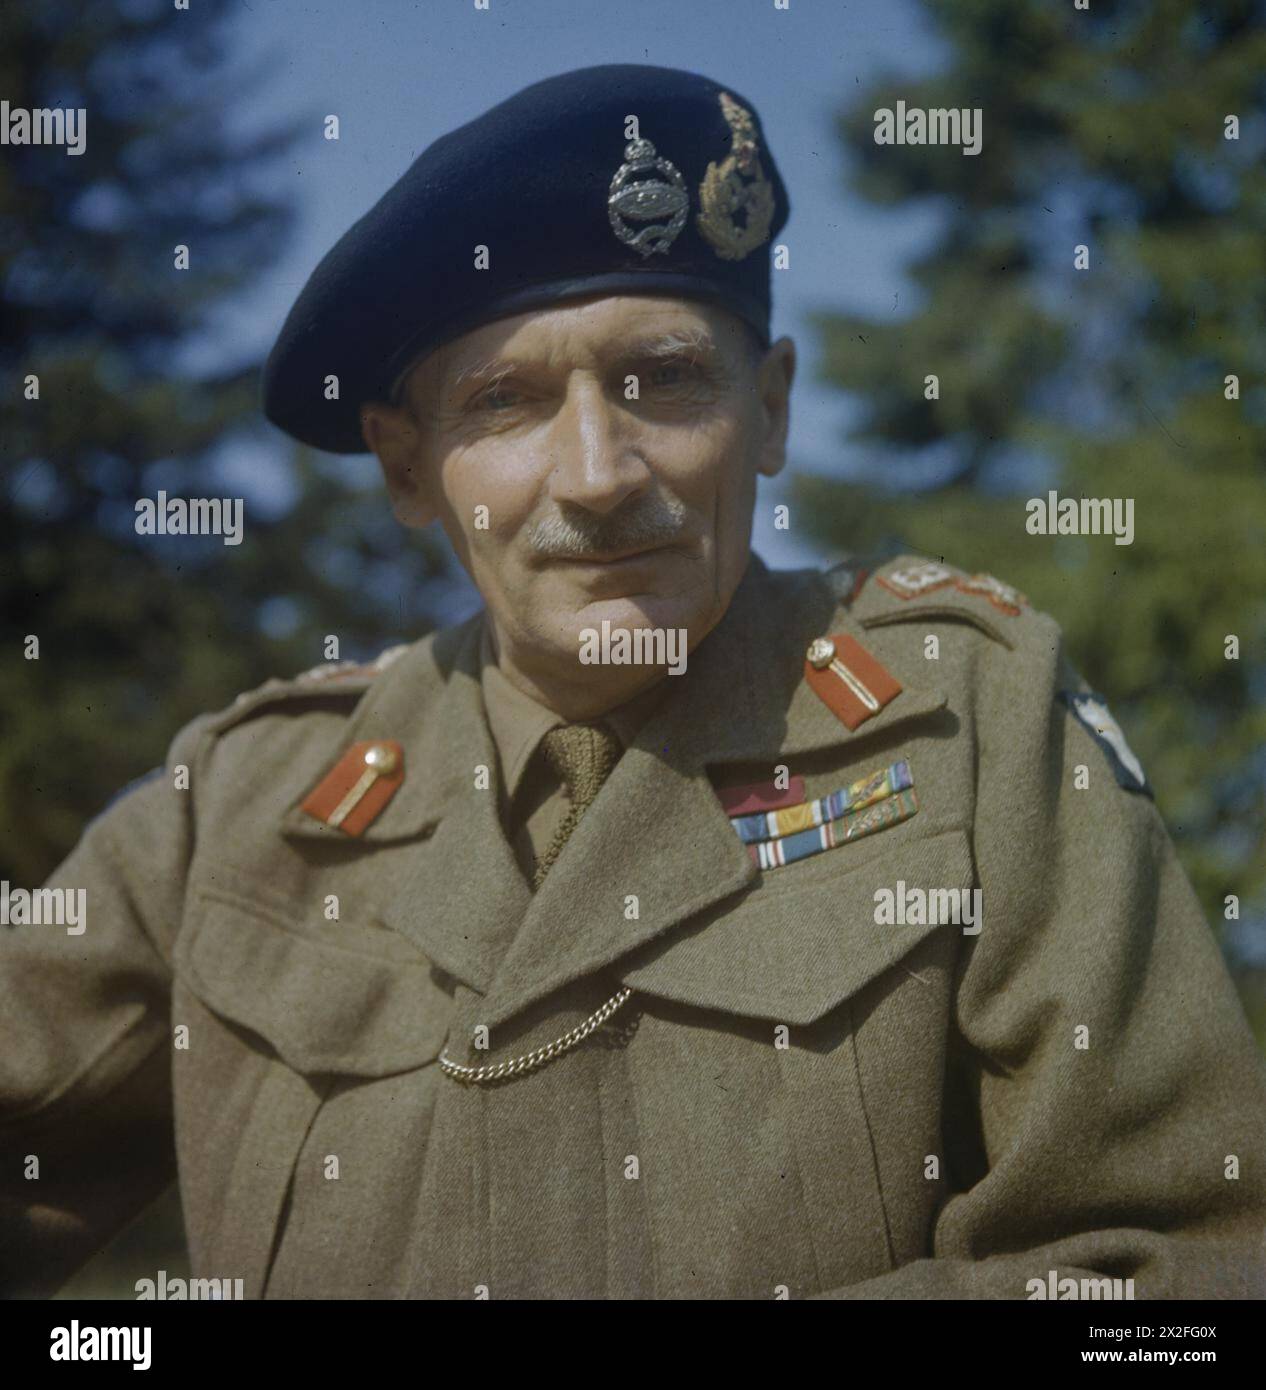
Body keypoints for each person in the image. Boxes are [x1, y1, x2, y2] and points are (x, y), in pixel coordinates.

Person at [3, 63, 1264, 1301]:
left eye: (664, 378)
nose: (600, 472)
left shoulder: (973, 721)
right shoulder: (237, 807)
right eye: (505, 401)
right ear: (405, 467)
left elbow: (1173, 1270)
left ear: (768, 414)